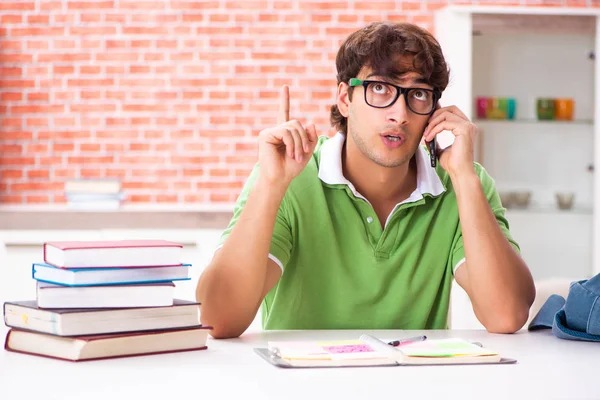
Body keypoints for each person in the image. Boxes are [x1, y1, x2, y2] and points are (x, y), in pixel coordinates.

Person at [196, 21, 536, 339]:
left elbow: (506, 315)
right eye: (379, 88)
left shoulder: (464, 182)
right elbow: (218, 318)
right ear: (345, 99)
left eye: (418, 94)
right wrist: (271, 186)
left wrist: (463, 178)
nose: (399, 114)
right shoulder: (288, 178)